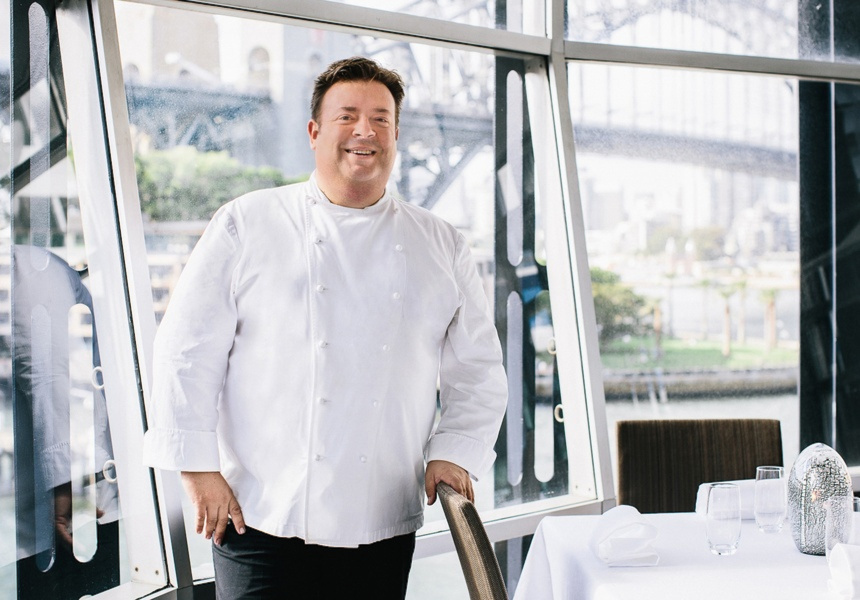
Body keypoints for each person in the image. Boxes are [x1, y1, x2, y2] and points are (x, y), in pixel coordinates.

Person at [142, 56, 508, 599]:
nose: (366, 131)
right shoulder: (247, 222)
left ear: (396, 135)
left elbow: (477, 369)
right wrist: (197, 470)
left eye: (381, 119)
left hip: (381, 522)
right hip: (258, 516)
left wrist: (454, 450)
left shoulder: (441, 243)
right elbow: (185, 352)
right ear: (315, 132)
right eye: (347, 116)